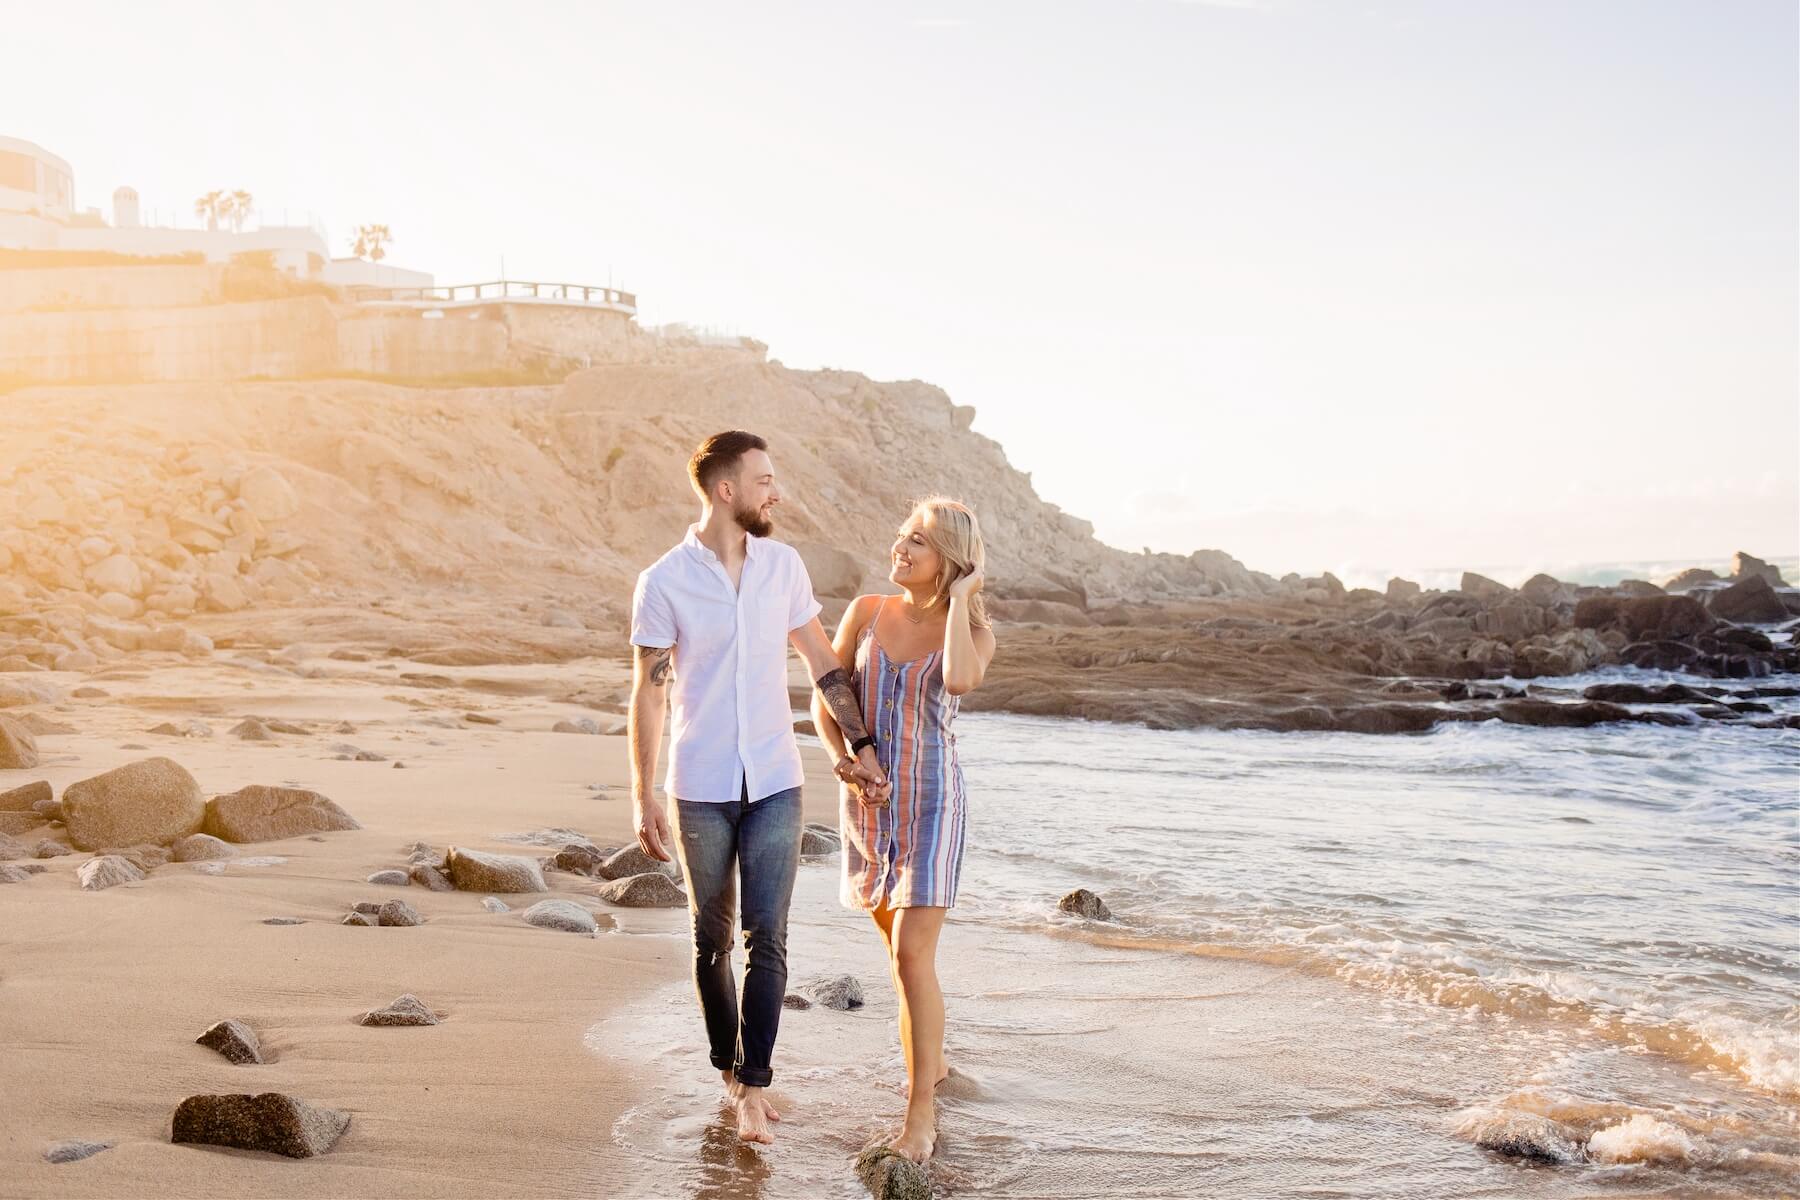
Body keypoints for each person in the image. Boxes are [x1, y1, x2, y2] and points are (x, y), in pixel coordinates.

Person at [628, 430, 889, 1146]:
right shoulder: (665, 581)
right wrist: (642, 791)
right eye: (764, 480)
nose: (775, 492)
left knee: (766, 937)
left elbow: (822, 664)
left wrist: (861, 745)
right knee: (711, 938)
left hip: (775, 779)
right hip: (699, 784)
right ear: (725, 490)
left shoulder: (783, 568)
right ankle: (729, 1073)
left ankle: (755, 1085)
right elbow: (650, 693)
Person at [811, 496, 996, 1163]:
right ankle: (935, 1063)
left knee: (911, 956)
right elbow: (827, 694)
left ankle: (921, 1114)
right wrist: (841, 754)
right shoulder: (866, 611)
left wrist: (963, 596)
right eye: (902, 536)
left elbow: (960, 679)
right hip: (868, 802)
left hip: (933, 802)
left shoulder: (973, 633)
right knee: (903, 957)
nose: (901, 548)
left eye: (918, 541)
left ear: (950, 559)